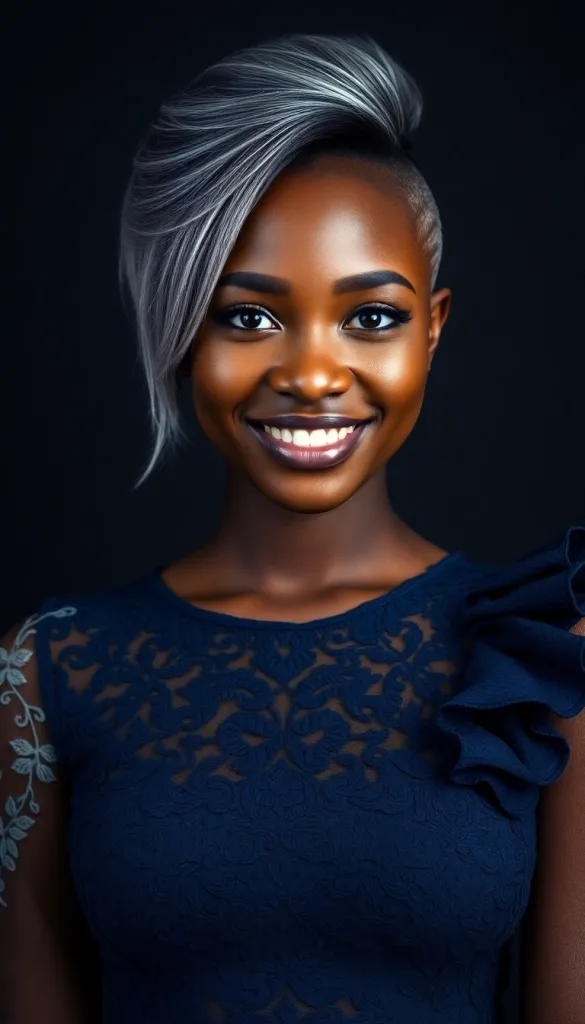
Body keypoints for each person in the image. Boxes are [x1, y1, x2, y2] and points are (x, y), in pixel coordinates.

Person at [0, 33, 583, 1024]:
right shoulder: (48, 672)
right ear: (180, 328)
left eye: (370, 318)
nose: (312, 373)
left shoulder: (545, 657)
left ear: (433, 328)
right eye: (249, 317)